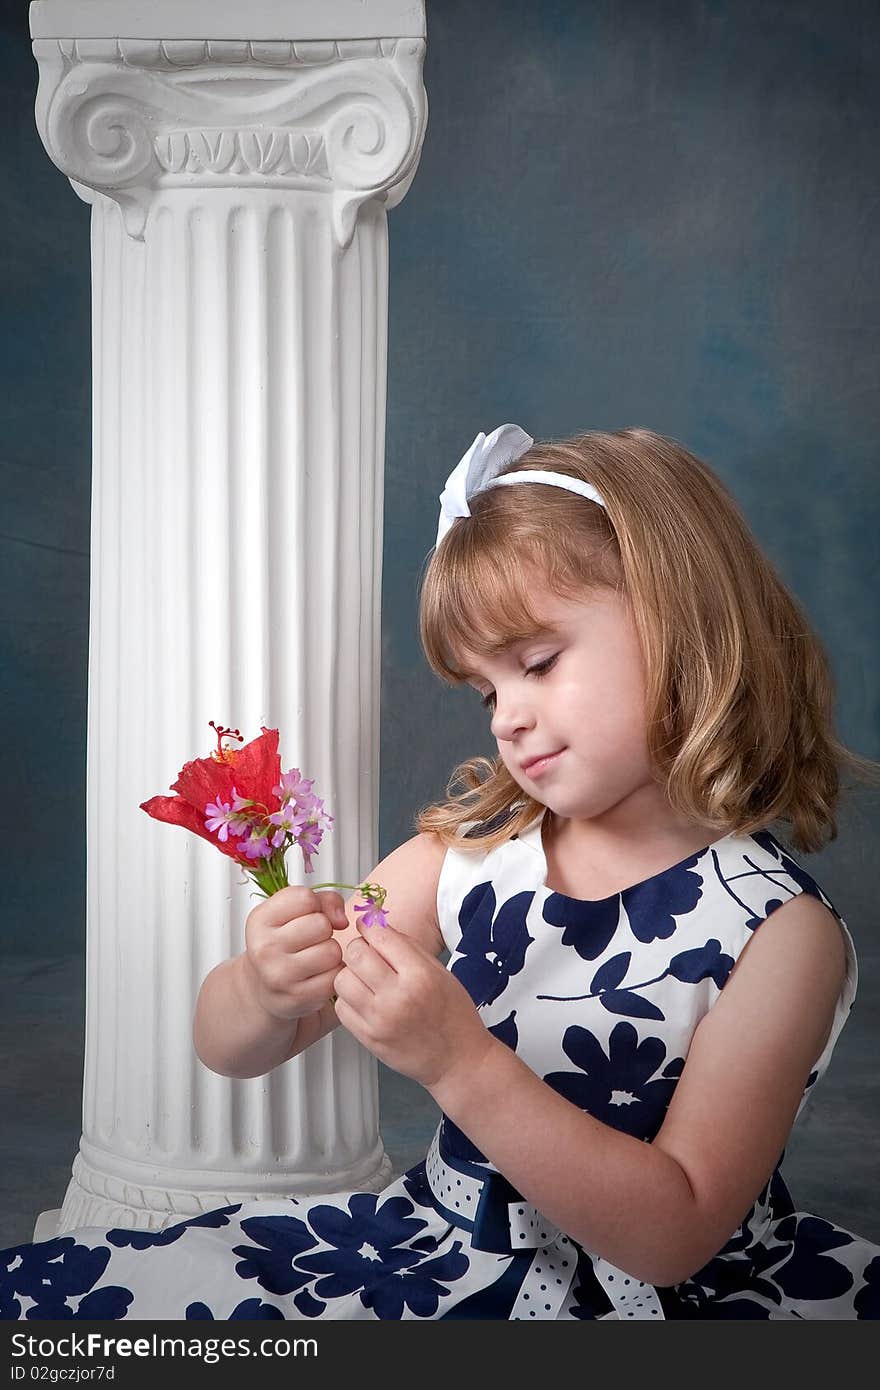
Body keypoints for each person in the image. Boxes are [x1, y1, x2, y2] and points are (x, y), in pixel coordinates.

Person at [3, 424, 879, 1320]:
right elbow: (228, 1050)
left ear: (685, 622)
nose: (508, 718)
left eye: (538, 663)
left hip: (672, 1300)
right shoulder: (468, 860)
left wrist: (461, 1063)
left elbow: (674, 1232)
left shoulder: (779, 935)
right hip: (446, 1251)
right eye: (488, 692)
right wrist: (265, 989)